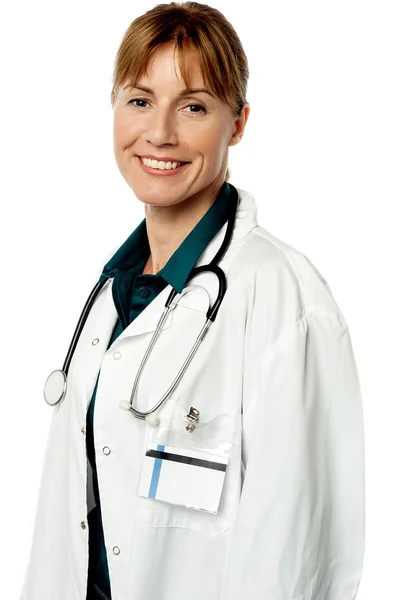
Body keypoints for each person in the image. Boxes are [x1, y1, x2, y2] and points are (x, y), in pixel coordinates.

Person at [19, 2, 365, 600]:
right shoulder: (113, 292)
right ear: (114, 109)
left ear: (238, 123)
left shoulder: (283, 298)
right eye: (139, 100)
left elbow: (297, 552)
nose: (160, 133)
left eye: (195, 106)